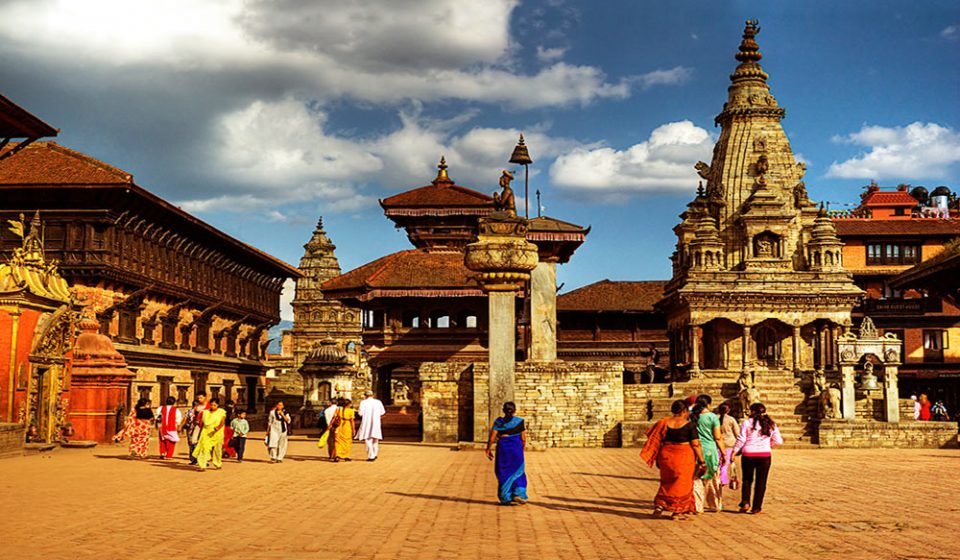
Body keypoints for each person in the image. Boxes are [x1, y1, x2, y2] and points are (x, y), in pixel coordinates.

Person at [640, 399, 706, 521]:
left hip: (666, 456)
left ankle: (660, 505)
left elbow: (657, 439)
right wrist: (702, 461)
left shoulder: (664, 423)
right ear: (685, 411)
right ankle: (677, 511)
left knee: (667, 481)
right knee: (681, 484)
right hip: (683, 457)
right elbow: (696, 445)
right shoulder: (689, 425)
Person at [732, 402, 783, 514]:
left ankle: (745, 502)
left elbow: (741, 439)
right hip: (764, 455)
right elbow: (779, 441)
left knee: (747, 480)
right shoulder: (770, 424)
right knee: (761, 482)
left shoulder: (747, 423)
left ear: (752, 411)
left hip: (748, 454)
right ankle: (756, 507)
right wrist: (769, 444)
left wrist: (734, 452)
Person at [485, 401, 528, 505]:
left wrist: (488, 449)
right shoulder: (519, 421)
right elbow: (523, 438)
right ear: (514, 411)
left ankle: (506, 497)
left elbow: (492, 438)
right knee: (518, 472)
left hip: (503, 449)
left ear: (503, 410)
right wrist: (522, 448)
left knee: (503, 472)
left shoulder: (499, 422)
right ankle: (518, 493)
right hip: (516, 449)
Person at [690, 394, 725, 513]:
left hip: (695, 450)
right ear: (708, 404)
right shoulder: (713, 417)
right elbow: (718, 437)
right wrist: (724, 454)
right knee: (712, 477)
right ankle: (715, 504)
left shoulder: (692, 416)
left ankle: (697, 505)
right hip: (710, 450)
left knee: (696, 478)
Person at [192, 398, 227, 471]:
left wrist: (218, 428)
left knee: (217, 449)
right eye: (211, 405)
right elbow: (201, 422)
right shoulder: (205, 412)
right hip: (206, 432)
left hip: (217, 433)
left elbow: (222, 421)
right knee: (204, 448)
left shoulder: (221, 412)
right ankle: (202, 465)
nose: (213, 406)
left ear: (218, 405)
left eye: (215, 405)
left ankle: (218, 463)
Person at [356, 390, 386, 461]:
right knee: (375, 439)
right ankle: (375, 454)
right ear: (373, 395)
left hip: (366, 422)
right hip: (376, 422)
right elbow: (382, 412)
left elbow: (360, 413)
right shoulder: (378, 402)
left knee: (368, 439)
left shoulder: (363, 402)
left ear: (365, 395)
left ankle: (371, 456)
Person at [717, 403, 740, 491]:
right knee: (725, 464)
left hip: (718, 443)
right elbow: (737, 433)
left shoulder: (715, 418)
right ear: (728, 410)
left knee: (718, 463)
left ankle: (718, 478)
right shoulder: (731, 420)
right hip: (729, 444)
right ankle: (722, 479)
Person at [186, 393, 208, 465]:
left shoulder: (209, 407)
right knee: (194, 441)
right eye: (198, 398)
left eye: (201, 398)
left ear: (205, 397)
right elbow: (191, 416)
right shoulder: (197, 407)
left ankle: (204, 459)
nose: (199, 399)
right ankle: (195, 458)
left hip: (206, 426)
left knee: (204, 443)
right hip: (197, 426)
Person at [333, 397, 356, 462]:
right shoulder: (351, 411)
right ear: (349, 404)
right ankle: (345, 455)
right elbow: (352, 421)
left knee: (338, 441)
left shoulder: (338, 410)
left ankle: (337, 454)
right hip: (347, 426)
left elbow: (334, 418)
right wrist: (353, 429)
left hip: (339, 426)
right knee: (347, 441)